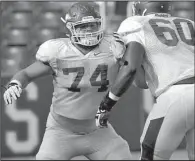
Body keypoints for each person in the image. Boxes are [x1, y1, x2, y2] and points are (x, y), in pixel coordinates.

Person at [3, 2, 132, 160]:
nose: (89, 31)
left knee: (122, 156)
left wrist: (124, 59)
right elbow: (26, 74)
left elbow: (133, 74)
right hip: (60, 132)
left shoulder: (113, 48)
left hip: (99, 131)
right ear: (71, 28)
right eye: (83, 26)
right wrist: (15, 84)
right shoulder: (58, 51)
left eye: (92, 25)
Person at [95, 1, 194, 160]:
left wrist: (106, 104)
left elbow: (130, 69)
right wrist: (124, 59)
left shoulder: (135, 23)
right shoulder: (189, 23)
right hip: (183, 90)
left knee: (150, 153)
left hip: (176, 96)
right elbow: (141, 82)